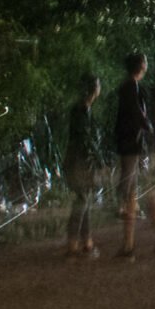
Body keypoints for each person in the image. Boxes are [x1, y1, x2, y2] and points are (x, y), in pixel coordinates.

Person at [115, 50, 155, 258]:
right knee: (150, 194)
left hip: (132, 149)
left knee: (131, 196)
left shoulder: (128, 88)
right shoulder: (138, 89)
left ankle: (129, 247)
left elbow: (133, 117)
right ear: (142, 66)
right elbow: (142, 117)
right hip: (141, 149)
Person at [61, 73, 102, 258]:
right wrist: (99, 159)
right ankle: (74, 244)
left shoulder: (80, 109)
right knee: (83, 200)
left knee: (84, 199)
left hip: (75, 158)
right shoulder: (83, 111)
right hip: (81, 160)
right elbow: (85, 139)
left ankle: (86, 241)